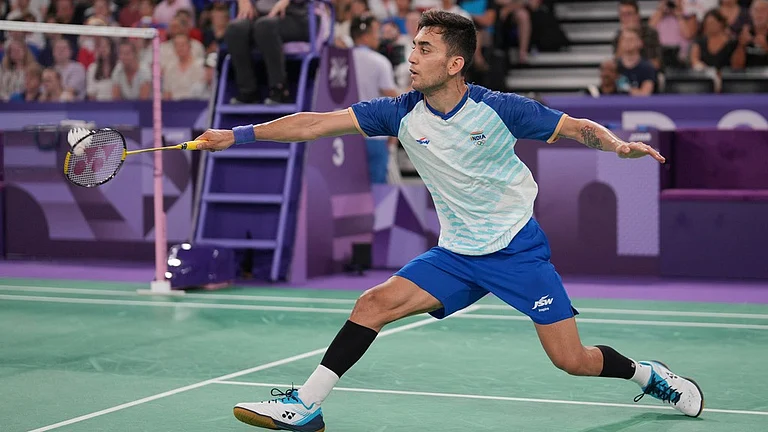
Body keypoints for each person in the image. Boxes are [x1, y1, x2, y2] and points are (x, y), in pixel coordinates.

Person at [196, 10, 704, 432]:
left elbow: (576, 128)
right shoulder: (398, 112)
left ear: (455, 62)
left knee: (571, 360)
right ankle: (307, 405)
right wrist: (238, 135)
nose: (411, 58)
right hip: (457, 253)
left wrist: (616, 145)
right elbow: (314, 123)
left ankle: (647, 375)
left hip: (515, 250)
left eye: (424, 49)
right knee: (372, 303)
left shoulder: (498, 109)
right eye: (412, 47)